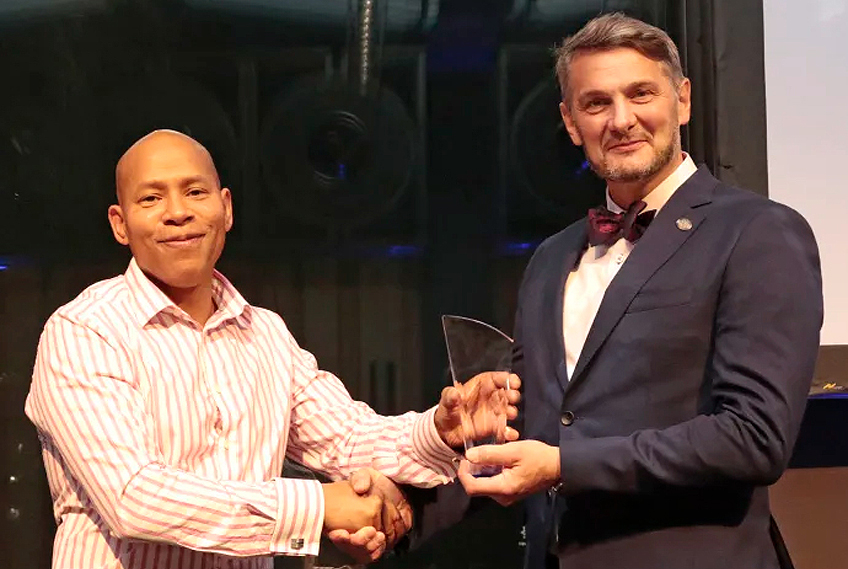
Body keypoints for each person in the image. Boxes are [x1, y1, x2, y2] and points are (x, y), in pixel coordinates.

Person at [24, 129, 520, 569]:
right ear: (120, 223)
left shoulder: (265, 333)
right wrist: (320, 507)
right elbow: (135, 497)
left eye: (195, 192)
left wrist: (440, 430)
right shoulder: (85, 330)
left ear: (226, 208)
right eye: (151, 198)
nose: (177, 212)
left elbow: (345, 438)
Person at [457, 12, 822, 569]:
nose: (621, 119)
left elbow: (754, 437)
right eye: (596, 103)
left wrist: (564, 465)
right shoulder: (551, 257)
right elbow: (539, 424)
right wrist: (473, 429)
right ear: (570, 122)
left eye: (641, 94)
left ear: (683, 100)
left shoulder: (758, 233)